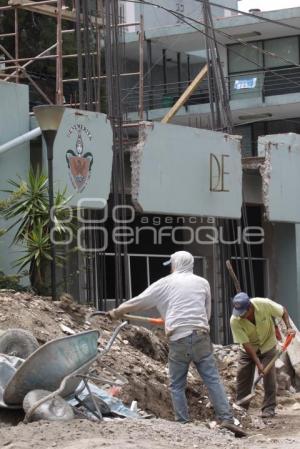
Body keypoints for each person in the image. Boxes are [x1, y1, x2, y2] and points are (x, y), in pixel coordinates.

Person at [107, 251, 240, 432]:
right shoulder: (203, 283)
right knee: (212, 380)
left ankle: (183, 423)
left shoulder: (166, 283)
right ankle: (227, 419)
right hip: (201, 336)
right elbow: (206, 314)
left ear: (175, 264)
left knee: (177, 384)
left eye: (171, 264)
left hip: (179, 338)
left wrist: (117, 312)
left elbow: (140, 301)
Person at [230, 292, 296, 418]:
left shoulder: (264, 304)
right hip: (248, 349)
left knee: (268, 376)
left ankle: (269, 408)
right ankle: (241, 408)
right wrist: (258, 363)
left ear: (250, 308)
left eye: (243, 313)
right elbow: (246, 344)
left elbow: (283, 311)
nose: (241, 316)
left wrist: (288, 327)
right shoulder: (235, 320)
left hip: (268, 345)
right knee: (242, 374)